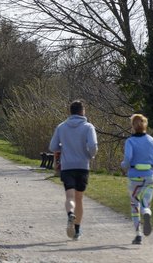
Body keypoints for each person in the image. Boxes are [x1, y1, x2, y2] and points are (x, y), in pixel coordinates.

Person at [49, 100, 98, 241]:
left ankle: (70, 213)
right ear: (82, 111)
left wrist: (63, 147)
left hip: (67, 166)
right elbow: (93, 145)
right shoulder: (88, 127)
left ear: (70, 112)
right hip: (82, 165)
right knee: (79, 198)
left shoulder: (61, 127)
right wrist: (90, 155)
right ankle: (77, 230)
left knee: (69, 197)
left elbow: (53, 146)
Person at [121, 114, 153, 245]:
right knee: (146, 201)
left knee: (135, 204)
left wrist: (123, 165)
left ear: (132, 126)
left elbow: (128, 159)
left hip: (134, 175)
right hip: (149, 175)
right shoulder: (151, 140)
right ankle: (147, 212)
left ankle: (138, 234)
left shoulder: (130, 141)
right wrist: (150, 165)